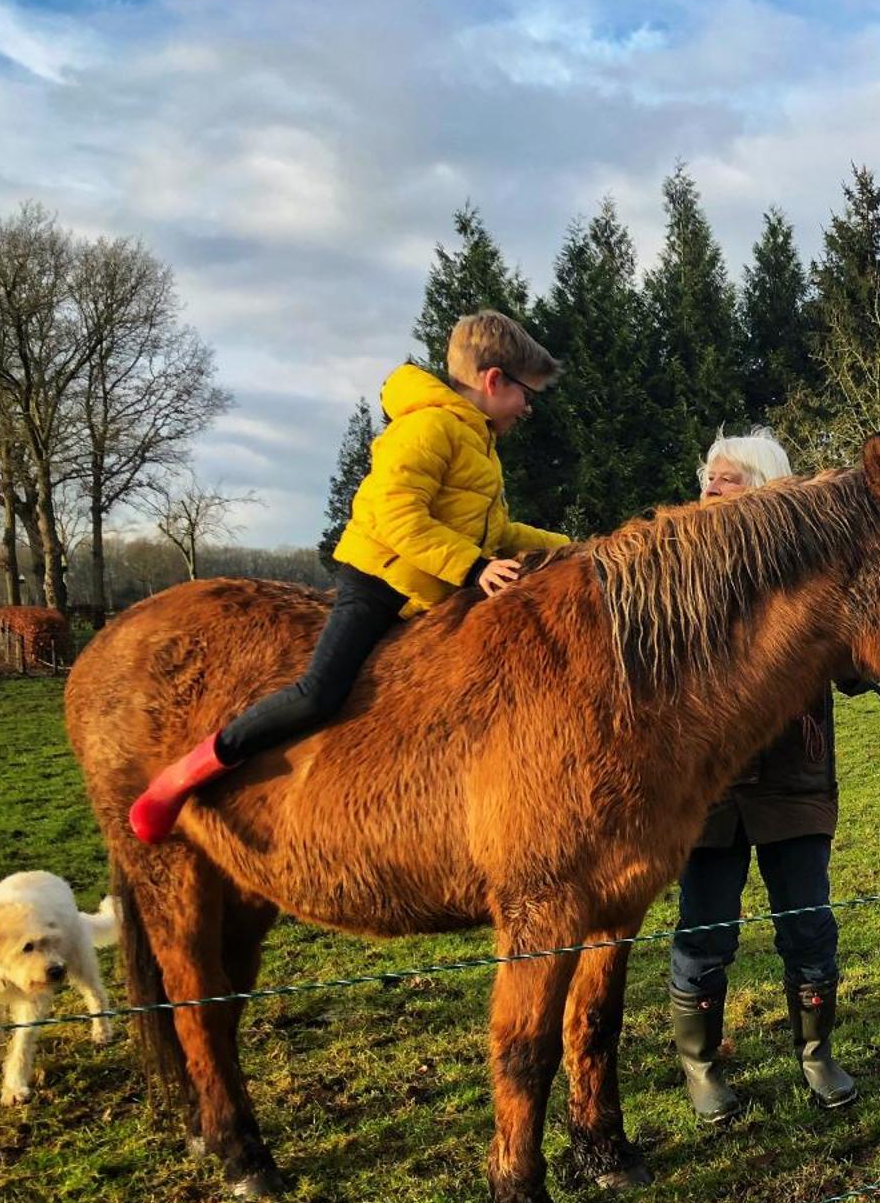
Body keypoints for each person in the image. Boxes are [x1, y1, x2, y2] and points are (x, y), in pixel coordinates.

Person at [128, 311, 569, 844]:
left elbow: (496, 530)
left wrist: (572, 548)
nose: (529, 407)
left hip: (430, 588)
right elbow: (397, 515)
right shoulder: (428, 426)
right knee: (321, 693)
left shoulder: (479, 444)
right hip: (380, 583)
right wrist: (473, 567)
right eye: (528, 393)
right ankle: (185, 776)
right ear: (493, 380)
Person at [669, 428, 856, 1121]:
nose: (708, 489)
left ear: (762, 487)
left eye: (723, 478)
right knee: (706, 931)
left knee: (809, 928)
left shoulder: (811, 572)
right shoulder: (677, 572)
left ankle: (816, 1055)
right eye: (708, 478)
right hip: (708, 787)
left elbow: (859, 666)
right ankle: (701, 1066)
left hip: (793, 785)